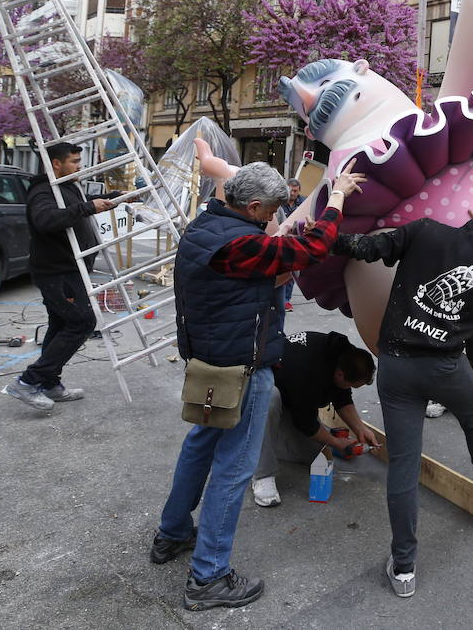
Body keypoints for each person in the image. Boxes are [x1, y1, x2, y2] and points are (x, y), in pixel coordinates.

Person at [151, 160, 364, 613]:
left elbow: (244, 276)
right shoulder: (241, 242)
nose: (273, 219)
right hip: (241, 369)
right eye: (270, 212)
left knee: (201, 445)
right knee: (233, 470)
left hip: (210, 363)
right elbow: (314, 248)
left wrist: (276, 268)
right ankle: (208, 577)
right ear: (250, 205)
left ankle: (172, 534)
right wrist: (339, 195)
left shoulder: (204, 227)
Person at [333, 201, 473, 599]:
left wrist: (326, 240)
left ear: (472, 223)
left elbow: (368, 249)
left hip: (397, 367)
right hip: (446, 367)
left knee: (403, 466)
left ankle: (404, 569)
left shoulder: (426, 230)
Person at [3, 142, 117, 411]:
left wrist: (117, 198)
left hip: (70, 269)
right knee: (82, 321)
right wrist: (88, 207)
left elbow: (76, 211)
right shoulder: (43, 191)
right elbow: (46, 221)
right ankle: (28, 382)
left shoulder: (67, 186)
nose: (80, 165)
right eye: (74, 161)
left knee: (59, 325)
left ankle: (50, 383)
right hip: (56, 271)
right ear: (56, 163)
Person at [250, 330, 376, 507]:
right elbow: (306, 424)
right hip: (258, 396)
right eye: (351, 385)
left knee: (314, 455)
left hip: (293, 398)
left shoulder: (343, 355)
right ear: (339, 374)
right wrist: (335, 441)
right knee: (270, 398)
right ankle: (262, 473)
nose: (351, 388)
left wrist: (360, 429)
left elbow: (342, 397)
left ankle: (266, 442)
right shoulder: (307, 373)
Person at [274, 178, 304, 312]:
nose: (292, 193)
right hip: (280, 239)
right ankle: (281, 300)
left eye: (295, 191)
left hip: (295, 241)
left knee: (291, 273)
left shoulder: (303, 202)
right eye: (290, 190)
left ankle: (286, 300)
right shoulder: (279, 203)